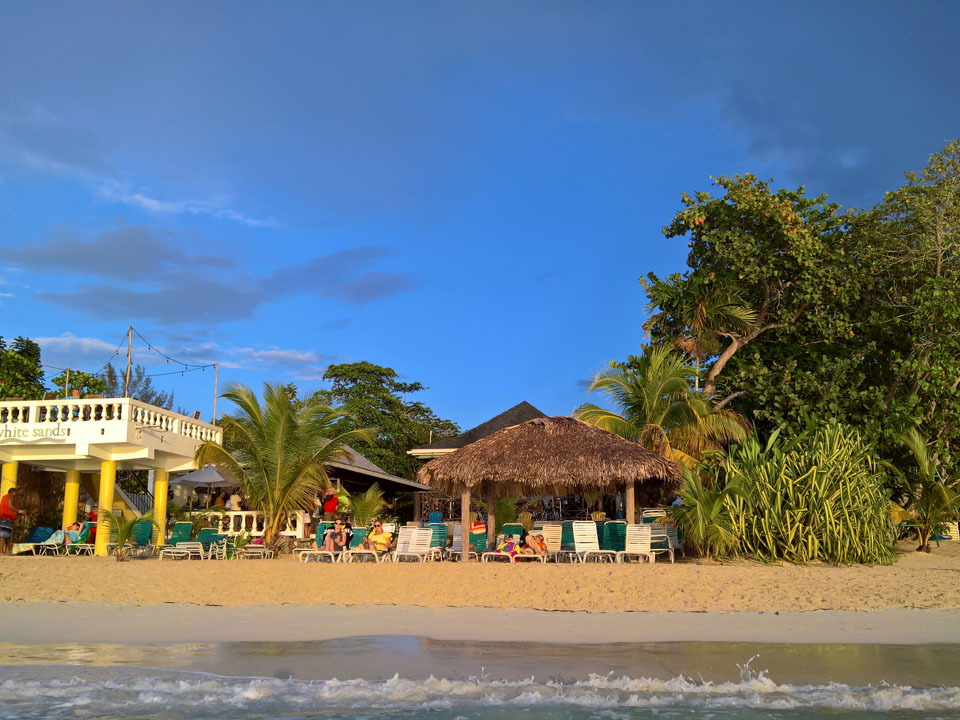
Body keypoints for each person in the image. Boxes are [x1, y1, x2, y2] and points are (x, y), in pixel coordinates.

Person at [0, 487, 22, 555]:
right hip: (7, 517)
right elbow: (10, 506)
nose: (16, 494)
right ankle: (1, 551)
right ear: (13, 492)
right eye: (16, 492)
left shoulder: (4, 497)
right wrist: (19, 511)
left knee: (7, 535)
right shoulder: (11, 496)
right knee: (3, 535)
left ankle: (7, 551)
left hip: (4, 517)